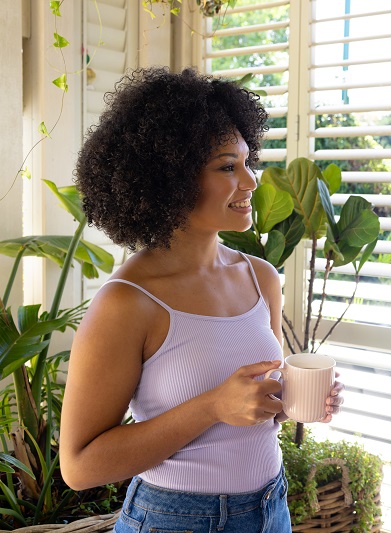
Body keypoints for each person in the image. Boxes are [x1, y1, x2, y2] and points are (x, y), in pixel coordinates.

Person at [60, 67, 343, 533]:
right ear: (169, 178)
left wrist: (294, 399)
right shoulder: (127, 302)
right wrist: (212, 407)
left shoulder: (261, 279)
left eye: (247, 162)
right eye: (227, 166)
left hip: (271, 508)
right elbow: (79, 465)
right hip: (176, 521)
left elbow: (254, 402)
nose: (250, 182)